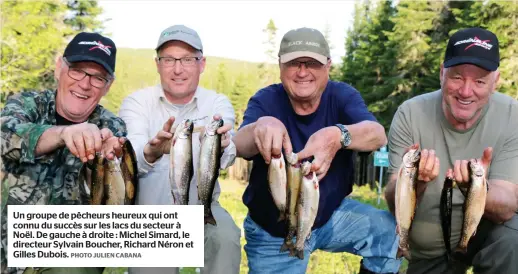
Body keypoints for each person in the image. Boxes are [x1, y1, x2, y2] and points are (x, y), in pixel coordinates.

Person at [233, 27, 402, 274]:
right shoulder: (265, 100)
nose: (303, 72)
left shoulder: (342, 95)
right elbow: (238, 144)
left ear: (328, 66)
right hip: (275, 230)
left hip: (331, 216)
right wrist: (260, 127)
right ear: (280, 65)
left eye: (312, 63)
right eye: (293, 63)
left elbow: (377, 134)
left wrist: (339, 135)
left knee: (388, 233)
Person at [385, 27, 518, 274]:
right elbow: (394, 202)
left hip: (486, 238)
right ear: (441, 74)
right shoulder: (410, 114)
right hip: (429, 250)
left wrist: (476, 189)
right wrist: (415, 183)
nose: (466, 91)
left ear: (495, 82)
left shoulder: (513, 115)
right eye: (457, 77)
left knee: (514, 240)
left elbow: (508, 205)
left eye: (479, 81)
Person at [118, 25, 241, 274]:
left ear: (202, 64)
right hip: (152, 220)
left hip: (201, 208)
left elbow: (227, 157)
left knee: (225, 237)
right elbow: (134, 150)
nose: (177, 69)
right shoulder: (136, 102)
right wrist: (151, 152)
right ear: (157, 64)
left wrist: (224, 145)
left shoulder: (216, 103)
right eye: (169, 59)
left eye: (187, 59)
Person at [0, 32, 127, 274]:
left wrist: (110, 160)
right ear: (60, 67)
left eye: (98, 78)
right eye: (77, 70)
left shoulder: (112, 126)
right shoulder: (27, 104)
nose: (85, 83)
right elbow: (5, 135)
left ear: (108, 86)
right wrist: (62, 134)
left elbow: (111, 202)